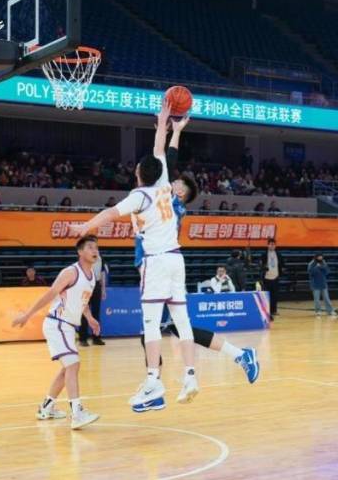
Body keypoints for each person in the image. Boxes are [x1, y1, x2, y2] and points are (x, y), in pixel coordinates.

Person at [70, 103, 198, 411]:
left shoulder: (139, 196)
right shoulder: (165, 185)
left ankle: (153, 381)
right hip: (176, 258)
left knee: (151, 323)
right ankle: (191, 375)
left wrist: (85, 226)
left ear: (138, 173)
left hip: (155, 261)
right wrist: (166, 124)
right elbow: (160, 150)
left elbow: (109, 214)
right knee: (182, 319)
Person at [127, 113, 258, 412]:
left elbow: (166, 159)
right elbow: (164, 161)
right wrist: (173, 131)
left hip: (159, 267)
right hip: (157, 266)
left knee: (153, 331)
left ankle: (154, 386)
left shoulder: (170, 201)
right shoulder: (163, 198)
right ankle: (240, 355)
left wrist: (170, 131)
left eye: (175, 182)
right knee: (179, 329)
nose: (170, 180)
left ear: (181, 192)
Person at [12, 235, 101, 430]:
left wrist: (90, 318)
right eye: (90, 247)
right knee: (73, 365)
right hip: (57, 323)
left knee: (67, 368)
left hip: (67, 326)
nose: (95, 250)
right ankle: (77, 413)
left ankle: (46, 407)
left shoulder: (92, 276)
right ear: (80, 252)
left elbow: (83, 301)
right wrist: (27, 315)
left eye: (96, 247)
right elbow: (51, 293)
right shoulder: (70, 272)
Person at [79, 253, 108, 347]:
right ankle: (83, 339)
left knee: (96, 312)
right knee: (85, 313)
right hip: (86, 285)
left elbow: (102, 273)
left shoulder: (100, 257)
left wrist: (103, 289)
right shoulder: (84, 256)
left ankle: (96, 338)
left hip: (97, 285)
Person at [260, 238, 284, 319]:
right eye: (270, 244)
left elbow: (282, 264)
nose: (272, 246)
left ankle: (274, 310)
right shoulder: (264, 254)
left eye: (273, 244)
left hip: (275, 277)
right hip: (267, 277)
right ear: (268, 245)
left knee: (275, 295)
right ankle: (268, 310)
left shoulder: (278, 254)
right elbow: (261, 265)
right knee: (267, 295)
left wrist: (281, 270)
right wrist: (263, 267)